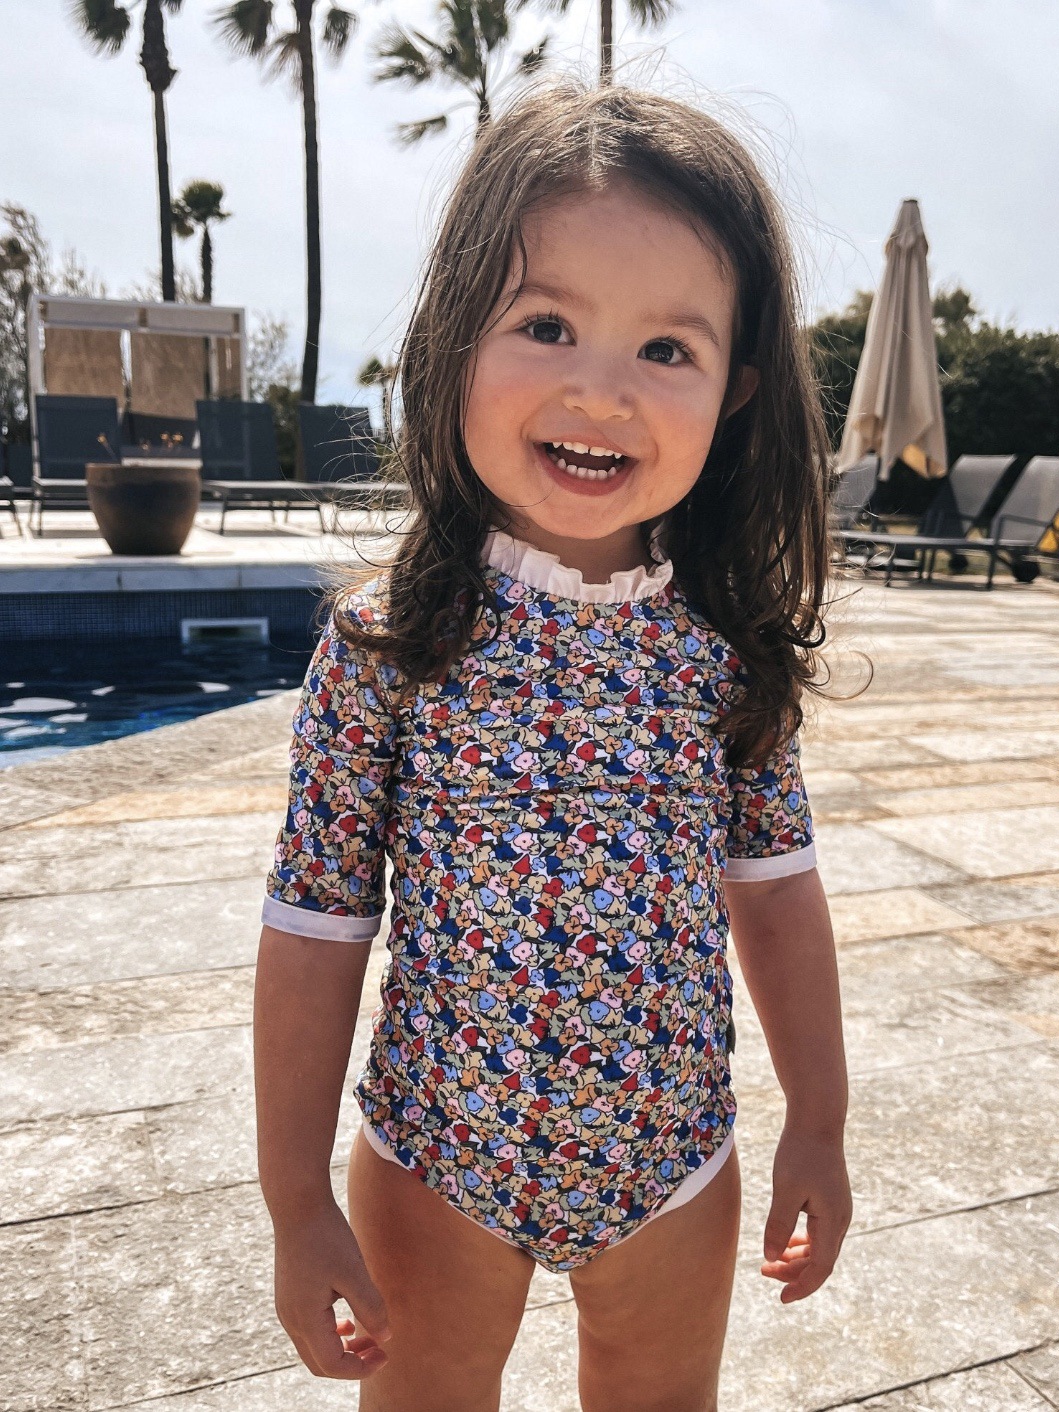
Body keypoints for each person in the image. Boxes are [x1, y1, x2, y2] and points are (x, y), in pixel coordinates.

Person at [255, 78, 852, 1412]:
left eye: (667, 348)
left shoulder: (726, 655)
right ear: (454, 341)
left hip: (672, 1158)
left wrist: (820, 1119)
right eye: (546, 326)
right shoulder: (390, 645)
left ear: (737, 391)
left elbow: (778, 893)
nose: (602, 389)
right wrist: (295, 1198)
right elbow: (312, 926)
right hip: (437, 1152)